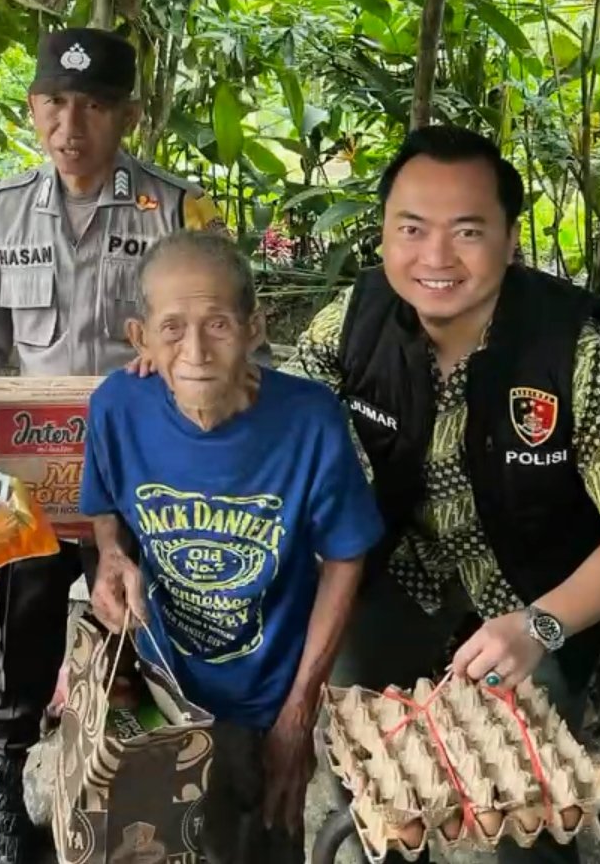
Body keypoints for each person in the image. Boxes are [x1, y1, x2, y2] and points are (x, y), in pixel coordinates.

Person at [286, 125, 600, 863]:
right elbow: (272, 420)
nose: (435, 258)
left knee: (527, 803)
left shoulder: (572, 351)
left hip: (538, 600)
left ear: (510, 238)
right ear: (385, 235)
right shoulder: (354, 325)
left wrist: (542, 625)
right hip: (393, 582)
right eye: (412, 229)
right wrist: (179, 363)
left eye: (467, 231)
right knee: (372, 781)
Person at [0, 28, 244, 862]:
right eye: (54, 102)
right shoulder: (2, 216)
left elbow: (221, 330)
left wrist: (181, 351)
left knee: (159, 631)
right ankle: (2, 806)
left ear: (129, 116)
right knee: (16, 631)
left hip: (144, 477)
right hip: (35, 476)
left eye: (95, 105)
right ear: (34, 108)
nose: (71, 123)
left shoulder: (176, 213)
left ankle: (160, 794)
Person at [82, 231, 384, 863]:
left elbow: (346, 556)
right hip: (167, 689)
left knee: (265, 840)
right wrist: (112, 555)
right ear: (140, 339)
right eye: (172, 328)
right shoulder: (117, 407)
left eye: (217, 324)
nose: (194, 351)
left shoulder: (309, 421)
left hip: (267, 694)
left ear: (253, 328)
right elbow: (106, 501)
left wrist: (299, 714)